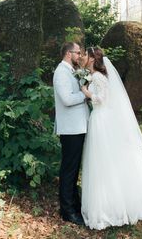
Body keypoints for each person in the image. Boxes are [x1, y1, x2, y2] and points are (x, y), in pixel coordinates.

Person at [80, 47, 142, 230]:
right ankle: (112, 202)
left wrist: (85, 92)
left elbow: (102, 99)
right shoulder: (94, 75)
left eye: (85, 55)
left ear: (91, 59)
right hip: (101, 119)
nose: (82, 57)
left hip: (101, 120)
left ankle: (110, 207)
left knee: (103, 161)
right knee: (106, 161)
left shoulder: (97, 76)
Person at [53, 42, 89, 226]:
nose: (79, 55)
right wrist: (86, 95)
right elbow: (67, 99)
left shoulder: (71, 71)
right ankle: (67, 211)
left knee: (74, 170)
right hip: (71, 129)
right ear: (68, 53)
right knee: (69, 170)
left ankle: (74, 204)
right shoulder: (61, 72)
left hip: (78, 127)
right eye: (77, 53)